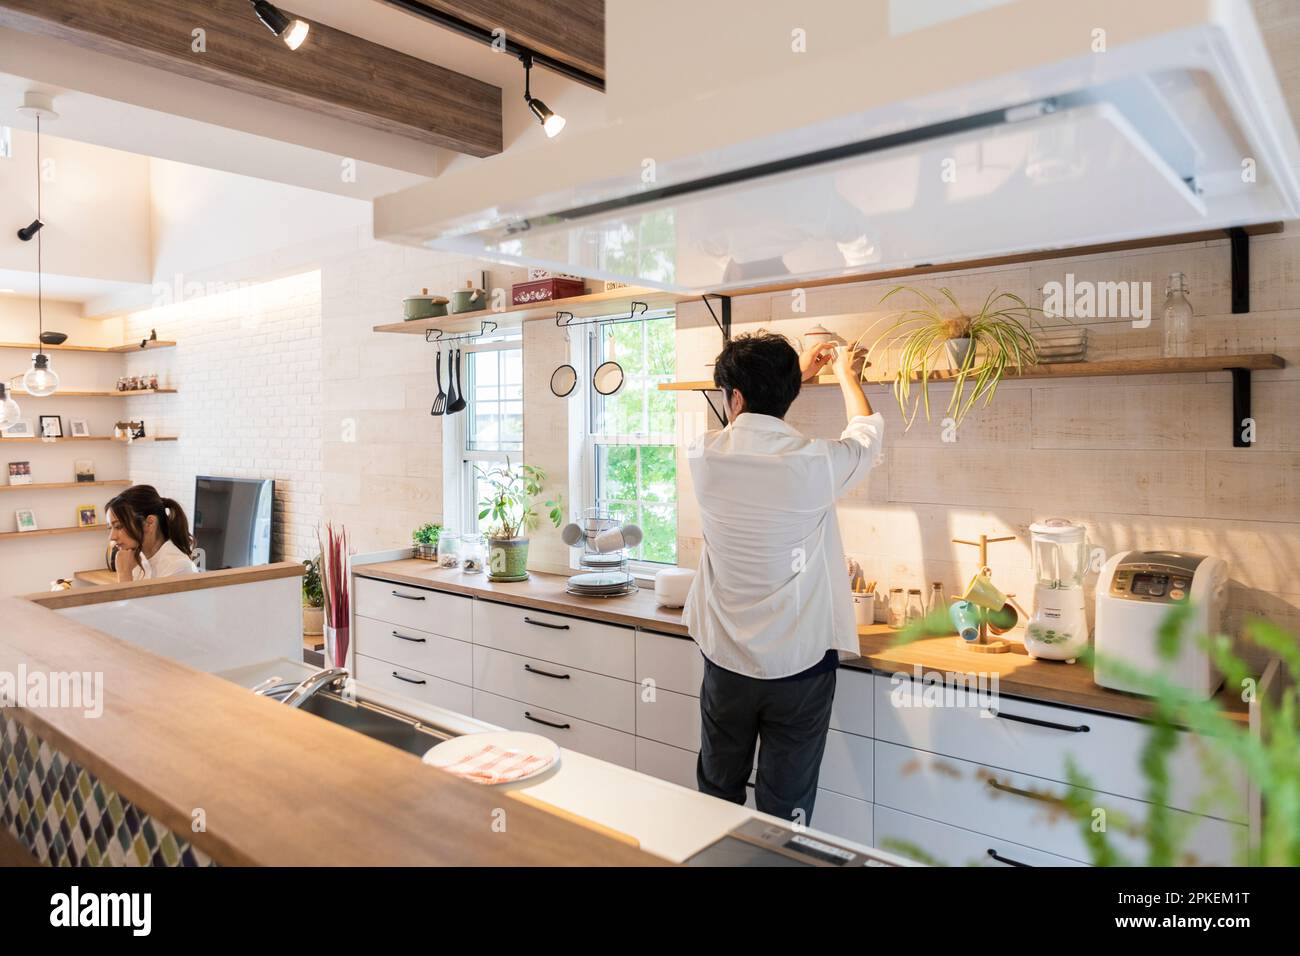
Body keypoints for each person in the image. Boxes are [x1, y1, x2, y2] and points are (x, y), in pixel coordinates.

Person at [682, 332, 884, 826]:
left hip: (727, 663)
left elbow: (743, 424)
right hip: (799, 668)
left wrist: (791, 378)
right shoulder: (816, 462)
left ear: (734, 397)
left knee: (716, 792)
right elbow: (866, 436)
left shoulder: (703, 456)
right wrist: (845, 376)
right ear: (787, 396)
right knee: (785, 807)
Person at [106, 485, 198, 581]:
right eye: (110, 528)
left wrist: (124, 573)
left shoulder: (178, 567)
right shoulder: (137, 559)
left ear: (150, 523)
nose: (112, 537)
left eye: (118, 526)